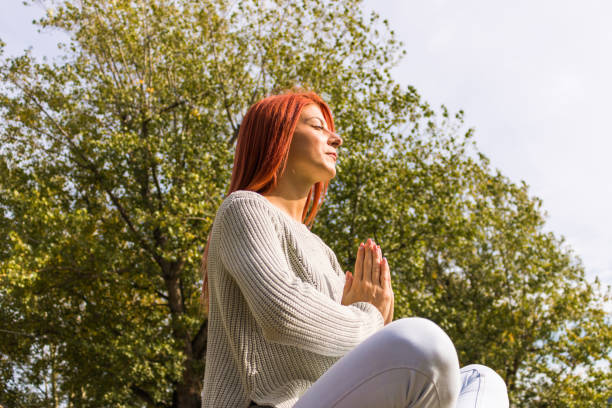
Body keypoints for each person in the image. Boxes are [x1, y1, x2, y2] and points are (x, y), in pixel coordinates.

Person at [200, 90, 509, 408]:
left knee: (481, 379)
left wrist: (372, 334)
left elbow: (344, 349)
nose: (335, 139)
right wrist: (372, 320)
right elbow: (281, 313)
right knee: (424, 344)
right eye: (317, 127)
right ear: (277, 136)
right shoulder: (244, 208)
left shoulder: (324, 253)